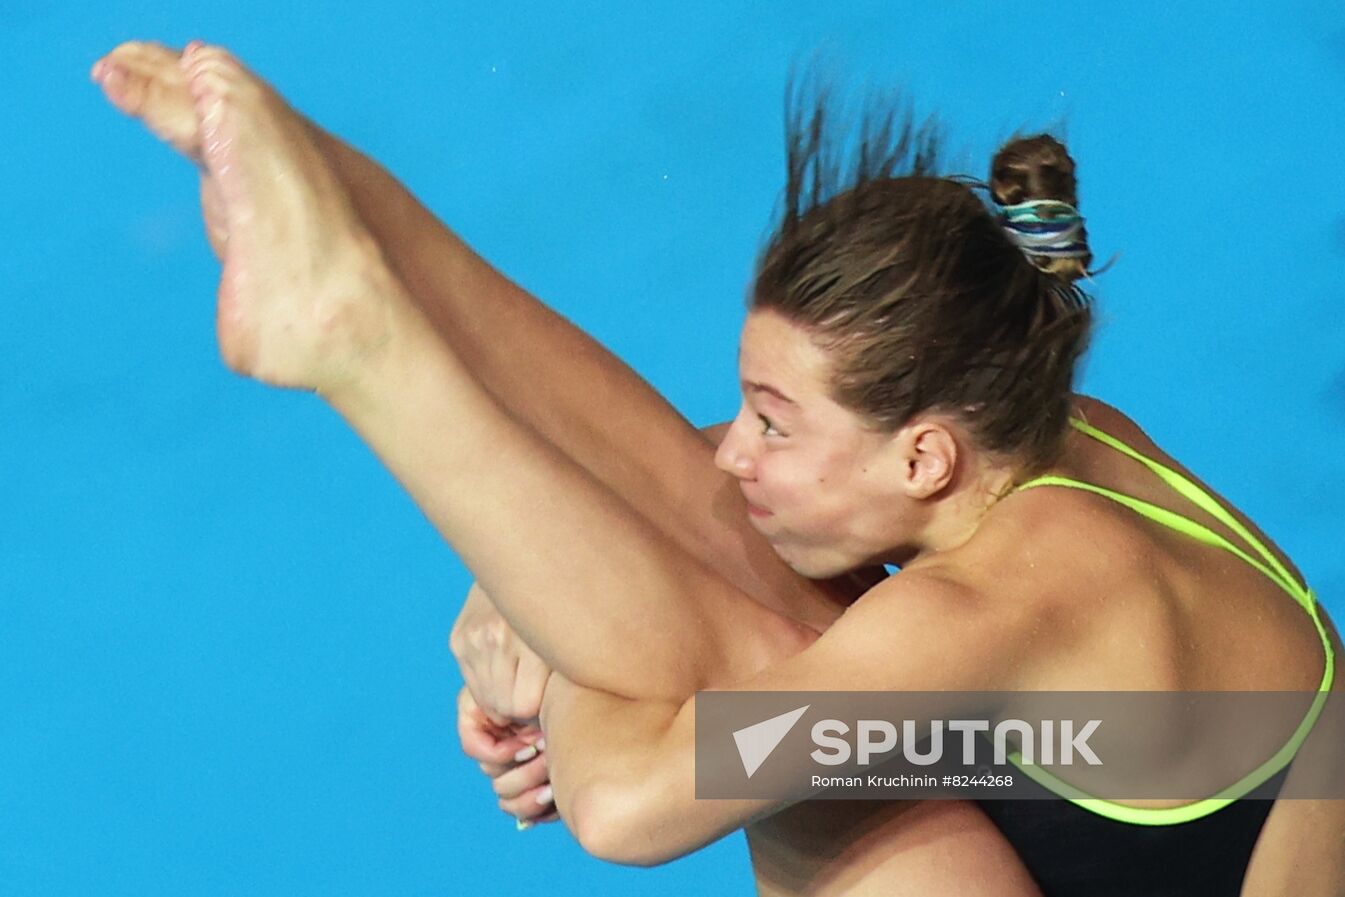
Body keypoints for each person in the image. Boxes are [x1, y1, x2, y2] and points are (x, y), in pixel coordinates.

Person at [93, 40, 1345, 896]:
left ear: (923, 453)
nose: (733, 443)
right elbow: (684, 474)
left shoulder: (990, 606)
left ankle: (359, 345)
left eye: (770, 416)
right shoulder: (1047, 440)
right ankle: (341, 201)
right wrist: (519, 585)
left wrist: (555, 641)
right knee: (730, 560)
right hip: (1164, 808)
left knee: (774, 718)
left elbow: (627, 810)